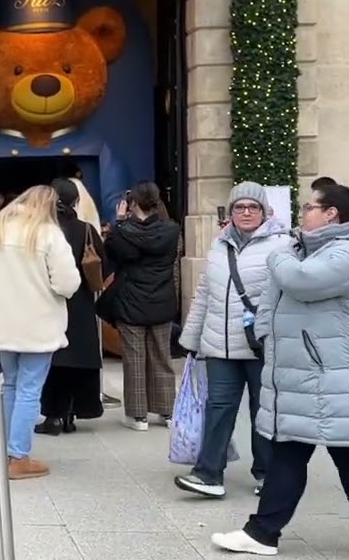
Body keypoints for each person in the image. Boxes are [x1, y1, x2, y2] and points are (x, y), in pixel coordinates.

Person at [211, 184, 349, 560]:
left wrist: (277, 256)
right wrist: (264, 332)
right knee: (287, 452)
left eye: (310, 206)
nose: (302, 212)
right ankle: (262, 533)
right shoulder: (300, 248)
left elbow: (303, 282)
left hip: (338, 371)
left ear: (331, 214)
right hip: (299, 371)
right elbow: (274, 297)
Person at [175, 182, 291, 498]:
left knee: (263, 411)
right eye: (239, 207)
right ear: (230, 213)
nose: (246, 212)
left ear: (266, 211)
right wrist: (192, 338)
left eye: (253, 207)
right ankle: (208, 474)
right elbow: (204, 294)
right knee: (218, 409)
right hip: (219, 345)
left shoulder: (281, 246)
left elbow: (288, 295)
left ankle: (268, 473)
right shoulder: (219, 247)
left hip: (260, 346)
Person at [0, 185, 81, 479]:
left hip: (4, 322)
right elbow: (67, 284)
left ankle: (6, 452)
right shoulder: (48, 234)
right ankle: (18, 456)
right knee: (30, 389)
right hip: (39, 324)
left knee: (11, 385)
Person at [103, 181, 181, 430]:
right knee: (162, 357)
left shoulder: (123, 232)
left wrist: (120, 222)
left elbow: (112, 256)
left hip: (131, 301)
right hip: (162, 300)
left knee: (134, 359)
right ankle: (167, 411)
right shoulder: (171, 230)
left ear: (132, 204)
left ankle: (138, 416)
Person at [37, 178, 107, 435]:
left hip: (49, 301)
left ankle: (52, 415)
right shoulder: (87, 229)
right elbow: (104, 265)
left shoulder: (42, 230)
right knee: (78, 358)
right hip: (82, 302)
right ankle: (72, 412)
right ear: (77, 201)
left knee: (52, 359)